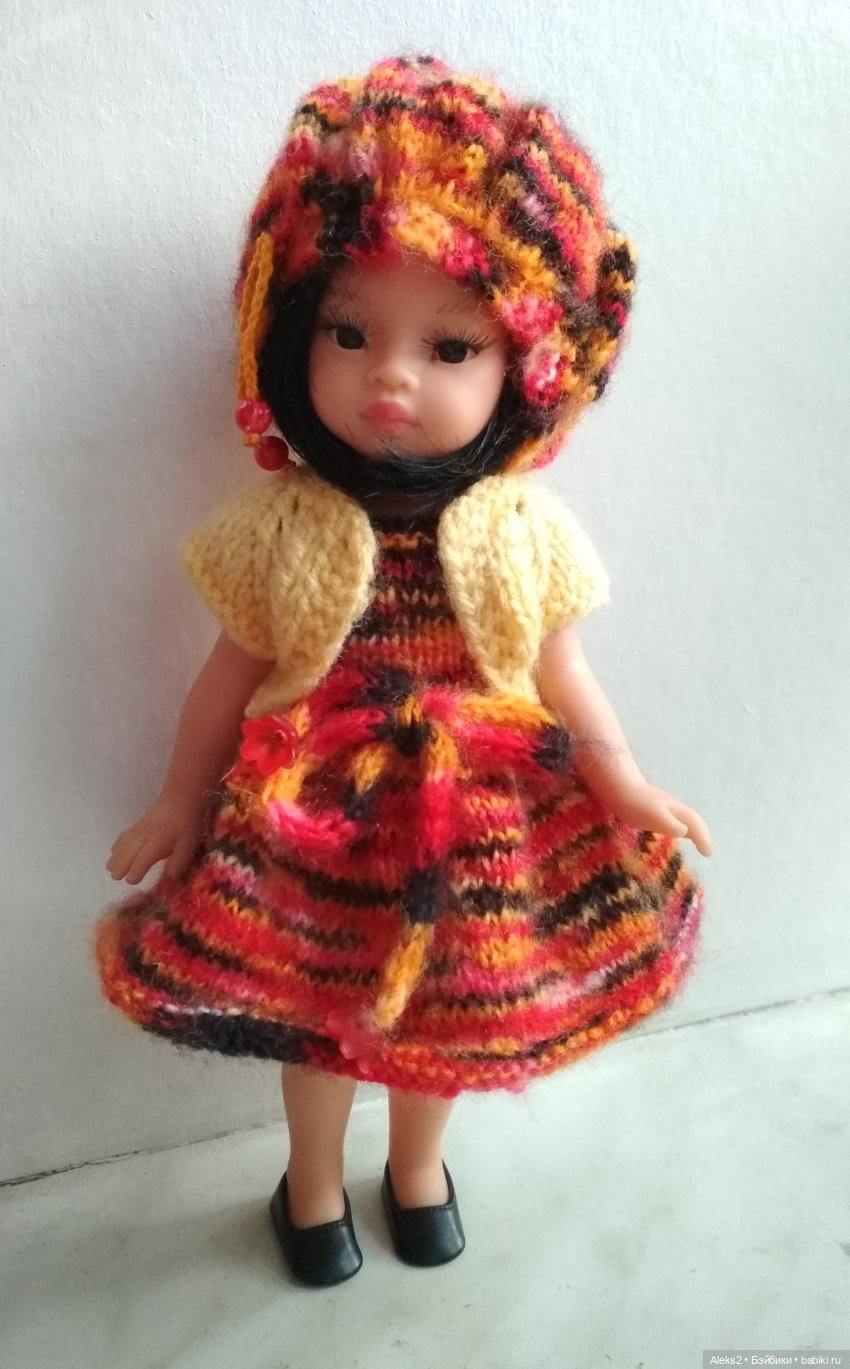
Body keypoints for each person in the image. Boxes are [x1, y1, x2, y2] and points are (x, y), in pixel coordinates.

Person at [94, 54, 711, 1287]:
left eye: (450, 345)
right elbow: (225, 677)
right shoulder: (282, 526)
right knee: (314, 1017)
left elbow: (561, 673)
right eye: (349, 332)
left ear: (528, 371)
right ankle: (311, 1180)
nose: (390, 377)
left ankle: (416, 1166)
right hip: (311, 823)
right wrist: (177, 798)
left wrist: (623, 779)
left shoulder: (520, 531)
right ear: (285, 332)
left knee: (453, 1019)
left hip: (478, 825)